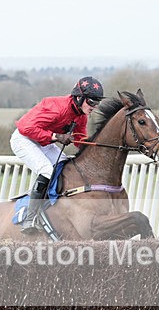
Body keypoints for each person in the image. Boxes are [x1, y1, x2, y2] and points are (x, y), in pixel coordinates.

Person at [10, 76, 104, 233]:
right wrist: (57, 136)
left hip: (42, 142)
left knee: (64, 165)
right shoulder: (57, 107)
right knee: (47, 170)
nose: (94, 106)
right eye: (91, 102)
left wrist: (96, 147)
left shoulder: (81, 115)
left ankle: (50, 205)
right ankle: (30, 218)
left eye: (97, 102)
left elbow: (80, 139)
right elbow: (25, 127)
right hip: (23, 139)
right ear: (79, 98)